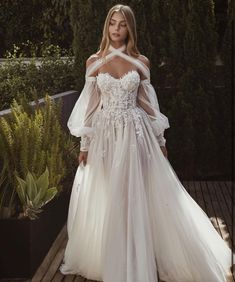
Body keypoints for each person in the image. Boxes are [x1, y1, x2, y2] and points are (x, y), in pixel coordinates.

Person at [60, 4, 234, 282]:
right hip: (105, 135)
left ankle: (140, 254)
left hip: (135, 134)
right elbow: (91, 105)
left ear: (131, 28)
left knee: (135, 192)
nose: (116, 30)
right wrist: (84, 145)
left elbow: (148, 104)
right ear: (106, 26)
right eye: (112, 24)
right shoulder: (94, 61)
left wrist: (160, 138)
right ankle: (115, 256)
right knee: (109, 193)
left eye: (122, 25)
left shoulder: (141, 62)